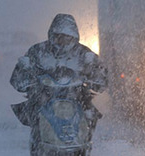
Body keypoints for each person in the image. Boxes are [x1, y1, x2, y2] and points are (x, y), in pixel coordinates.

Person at [10, 14, 107, 156]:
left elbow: (102, 79)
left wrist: (96, 72)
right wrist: (24, 71)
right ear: (51, 34)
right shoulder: (38, 51)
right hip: (44, 100)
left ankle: (84, 145)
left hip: (77, 99)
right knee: (35, 114)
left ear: (75, 37)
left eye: (67, 37)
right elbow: (18, 79)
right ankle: (39, 147)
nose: (62, 41)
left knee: (89, 114)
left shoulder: (83, 53)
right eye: (59, 36)